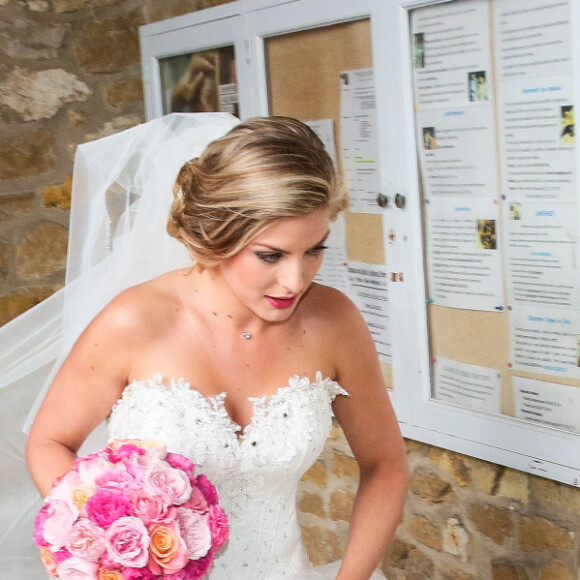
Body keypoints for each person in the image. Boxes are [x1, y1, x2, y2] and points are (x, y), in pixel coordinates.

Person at [22, 113, 408, 580]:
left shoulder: (335, 322)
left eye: (314, 250)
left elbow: (385, 463)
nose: (296, 280)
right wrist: (108, 538)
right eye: (270, 255)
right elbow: (49, 442)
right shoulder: (134, 321)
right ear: (216, 234)